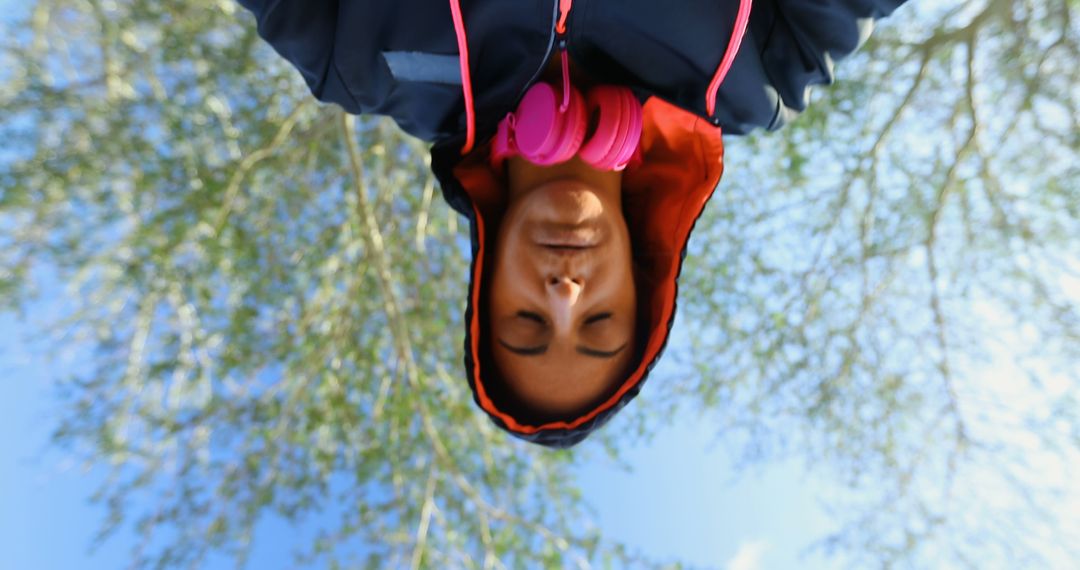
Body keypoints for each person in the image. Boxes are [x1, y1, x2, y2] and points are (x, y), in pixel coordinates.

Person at [236, 0, 909, 448]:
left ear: (486, 291)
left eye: (526, 323)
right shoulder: (764, 75)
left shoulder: (354, 65)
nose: (562, 295)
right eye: (599, 323)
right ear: (642, 283)